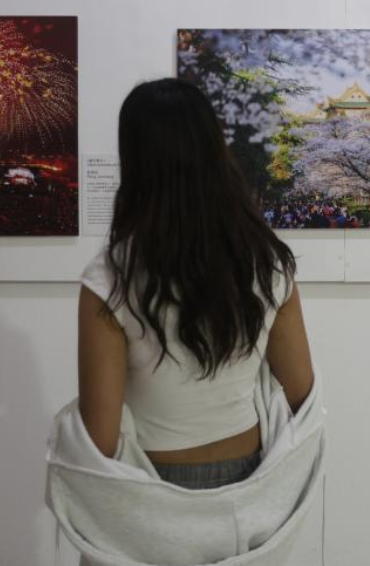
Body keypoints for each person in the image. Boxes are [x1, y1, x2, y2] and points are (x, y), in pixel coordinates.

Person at [77, 78, 315, 490]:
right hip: (246, 481)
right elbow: (301, 395)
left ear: (134, 159)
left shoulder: (110, 277)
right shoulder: (266, 263)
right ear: (214, 149)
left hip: (150, 486)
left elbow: (99, 439)